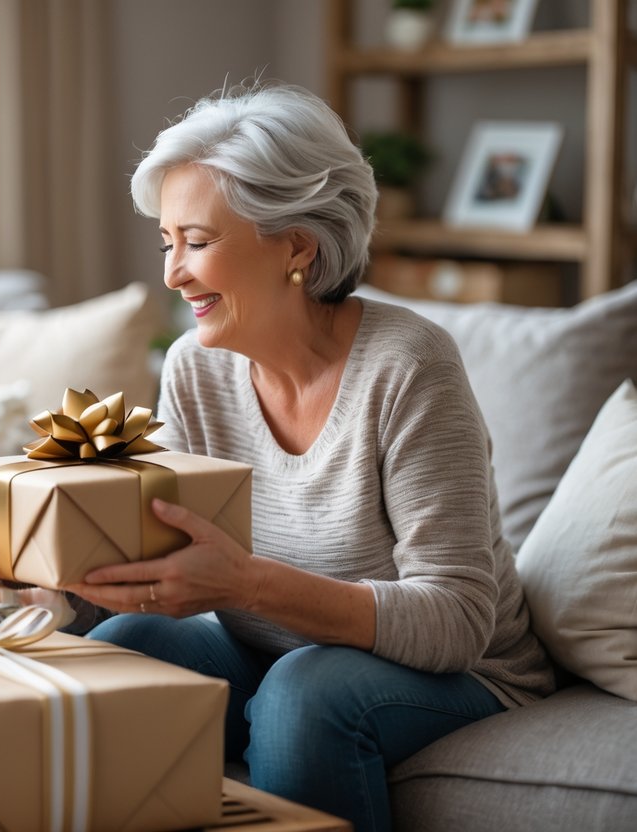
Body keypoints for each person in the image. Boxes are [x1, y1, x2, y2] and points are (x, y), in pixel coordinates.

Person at [65, 82, 554, 832]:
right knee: (123, 648)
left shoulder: (408, 366)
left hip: (458, 673)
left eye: (197, 242)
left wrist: (249, 584)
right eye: (167, 243)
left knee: (302, 692)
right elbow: (163, 545)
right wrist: (50, 567)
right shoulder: (195, 367)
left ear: (296, 243)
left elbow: (456, 618)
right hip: (270, 649)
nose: (172, 274)